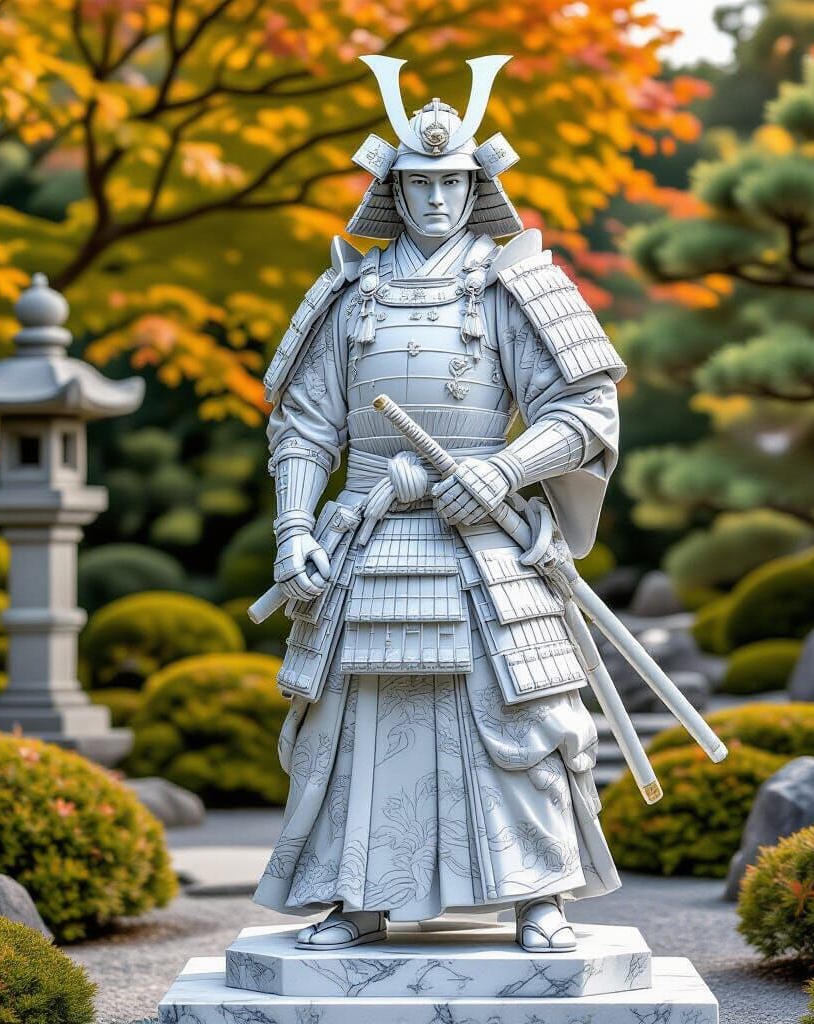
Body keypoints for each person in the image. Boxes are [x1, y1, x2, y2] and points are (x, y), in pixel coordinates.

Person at [253, 55, 628, 954]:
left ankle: (538, 893)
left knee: (522, 711)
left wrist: (503, 470)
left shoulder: (514, 284)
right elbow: (303, 424)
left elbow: (584, 409)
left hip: (480, 535)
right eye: (417, 183)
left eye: (452, 181)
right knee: (348, 717)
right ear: (391, 186)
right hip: (369, 535)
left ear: (478, 186)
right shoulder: (348, 293)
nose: (434, 200)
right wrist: (294, 527)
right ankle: (355, 895)